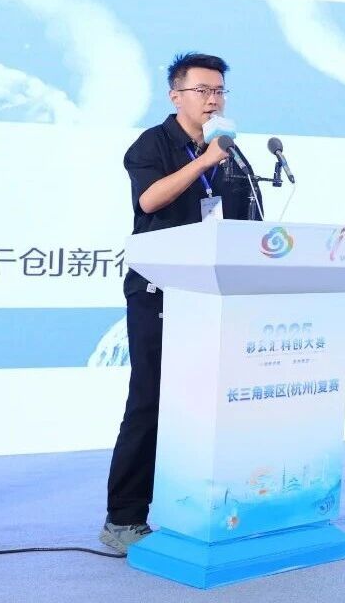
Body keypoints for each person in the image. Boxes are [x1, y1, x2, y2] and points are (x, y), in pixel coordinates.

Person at [100, 52, 259, 553]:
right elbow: (149, 200)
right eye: (203, 90)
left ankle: (211, 508)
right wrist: (205, 163)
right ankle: (123, 519)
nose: (214, 100)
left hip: (216, 295)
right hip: (159, 293)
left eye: (220, 91)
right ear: (176, 95)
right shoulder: (153, 144)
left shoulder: (231, 153)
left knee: (212, 404)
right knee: (150, 400)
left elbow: (248, 222)